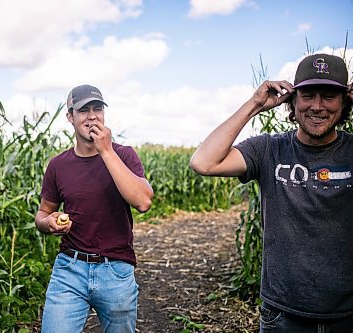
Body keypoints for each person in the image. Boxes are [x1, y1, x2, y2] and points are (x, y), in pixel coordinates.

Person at [189, 53, 353, 332]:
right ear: (292, 100)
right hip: (283, 315)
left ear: (344, 102)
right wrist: (254, 105)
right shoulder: (268, 150)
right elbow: (203, 162)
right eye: (308, 95)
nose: (317, 106)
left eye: (328, 96)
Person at [35, 84, 154, 333]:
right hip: (69, 269)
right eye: (83, 110)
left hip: (116, 270)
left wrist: (106, 151)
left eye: (97, 108)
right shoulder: (58, 165)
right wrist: (48, 223)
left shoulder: (124, 155)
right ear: (70, 117)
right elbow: (43, 213)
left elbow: (143, 201)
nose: (91, 116)